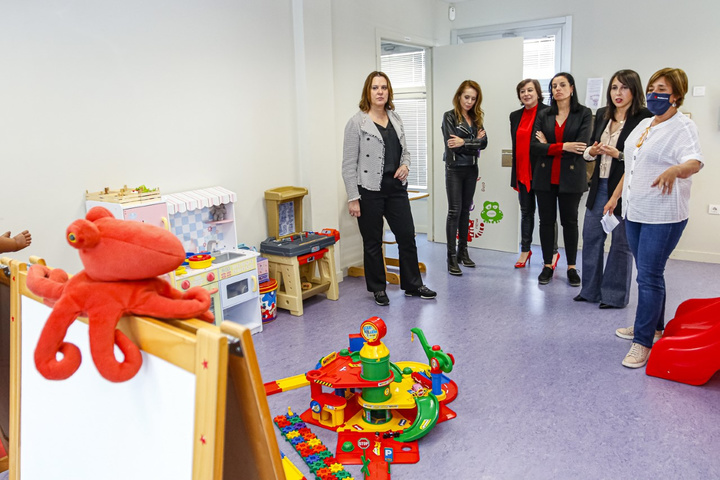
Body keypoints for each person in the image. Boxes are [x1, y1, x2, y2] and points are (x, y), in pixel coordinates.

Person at [615, 67, 703, 368]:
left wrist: (676, 170)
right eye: (651, 87)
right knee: (650, 273)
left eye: (661, 89)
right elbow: (633, 161)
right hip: (636, 210)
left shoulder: (683, 127)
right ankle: (653, 327)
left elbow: (695, 161)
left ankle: (642, 343)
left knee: (649, 276)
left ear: (675, 95)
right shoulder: (645, 125)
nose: (653, 93)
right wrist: (616, 196)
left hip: (663, 214)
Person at [342, 71, 436, 306]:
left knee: (407, 236)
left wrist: (405, 165)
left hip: (396, 188)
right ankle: (378, 288)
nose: (380, 92)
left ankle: (413, 285)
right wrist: (353, 197)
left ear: (389, 91)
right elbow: (348, 164)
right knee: (372, 241)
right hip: (369, 190)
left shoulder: (395, 118)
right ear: (368, 91)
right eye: (375, 88)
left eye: (384, 87)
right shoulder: (357, 122)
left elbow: (406, 151)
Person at [574, 70, 652, 309]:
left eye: (624, 88)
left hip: (625, 188)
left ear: (634, 90)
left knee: (621, 243)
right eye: (614, 88)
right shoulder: (602, 114)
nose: (618, 93)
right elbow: (588, 151)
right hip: (600, 185)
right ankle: (589, 291)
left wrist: (617, 154)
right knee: (591, 237)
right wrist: (593, 152)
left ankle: (614, 296)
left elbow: (641, 156)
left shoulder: (644, 118)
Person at [531, 72, 592, 286]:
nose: (557, 89)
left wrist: (550, 146)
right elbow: (534, 147)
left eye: (562, 85)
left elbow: (581, 145)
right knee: (546, 222)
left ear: (572, 88)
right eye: (554, 85)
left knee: (570, 222)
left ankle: (572, 267)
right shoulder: (544, 114)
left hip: (571, 177)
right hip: (545, 177)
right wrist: (564, 146)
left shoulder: (584, 113)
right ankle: (548, 265)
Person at [509, 79, 558, 269]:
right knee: (526, 212)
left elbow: (553, 140)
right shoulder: (515, 116)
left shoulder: (548, 112)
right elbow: (516, 145)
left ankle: (552, 253)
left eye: (530, 90)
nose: (526, 94)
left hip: (542, 171)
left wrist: (546, 141)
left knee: (547, 215)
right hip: (522, 170)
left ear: (538, 92)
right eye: (522, 91)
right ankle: (525, 249)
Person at [441, 80, 488, 275]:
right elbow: (453, 143)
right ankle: (451, 257)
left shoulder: (476, 119)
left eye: (473, 98)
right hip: (454, 168)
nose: (469, 101)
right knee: (454, 211)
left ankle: (463, 252)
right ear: (459, 96)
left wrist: (467, 142)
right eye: (466, 97)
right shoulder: (449, 117)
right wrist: (473, 142)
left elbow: (484, 143)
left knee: (466, 212)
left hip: (471, 168)